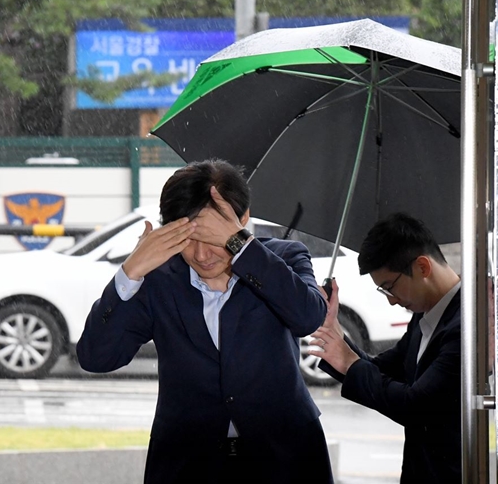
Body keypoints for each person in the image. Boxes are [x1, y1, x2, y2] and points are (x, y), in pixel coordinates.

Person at [77, 159, 334, 484]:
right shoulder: (159, 278)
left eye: (213, 238)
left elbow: (308, 317)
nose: (201, 255)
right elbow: (96, 358)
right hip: (187, 462)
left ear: (243, 219)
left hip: (284, 459)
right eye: (188, 239)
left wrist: (241, 246)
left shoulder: (282, 258)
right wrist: (130, 273)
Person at [309, 213, 461, 483]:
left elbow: (416, 406)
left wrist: (350, 363)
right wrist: (335, 335)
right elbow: (380, 368)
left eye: (389, 288)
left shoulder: (467, 326)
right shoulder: (425, 316)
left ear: (423, 267)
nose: (392, 302)